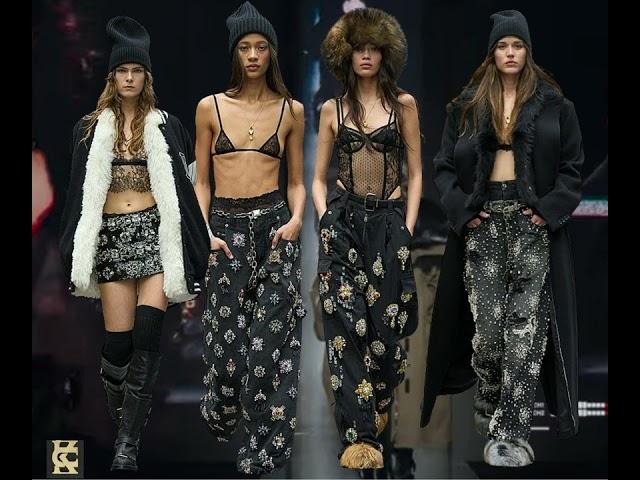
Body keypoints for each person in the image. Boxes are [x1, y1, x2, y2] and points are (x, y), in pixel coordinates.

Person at [421, 9, 583, 467]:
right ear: (492, 53)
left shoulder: (555, 106)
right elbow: (443, 167)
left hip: (532, 226)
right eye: (503, 46)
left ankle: (511, 432)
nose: (510, 53)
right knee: (489, 333)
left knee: (525, 331)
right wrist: (463, 210)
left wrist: (547, 212)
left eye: (517, 46)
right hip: (485, 222)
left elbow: (572, 168)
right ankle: (491, 404)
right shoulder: (466, 106)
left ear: (528, 51)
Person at [59, 16, 209, 472]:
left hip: (154, 235)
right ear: (112, 77)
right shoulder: (89, 130)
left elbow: (186, 189)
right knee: (118, 346)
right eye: (122, 71)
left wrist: (197, 242)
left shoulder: (168, 127)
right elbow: (77, 193)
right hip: (111, 237)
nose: (129, 78)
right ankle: (123, 422)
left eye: (136, 71)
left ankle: (127, 443)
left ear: (146, 77)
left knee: (147, 336)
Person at [193, 2, 306, 475]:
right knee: (229, 355)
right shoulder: (210, 107)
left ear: (272, 52)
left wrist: (296, 220)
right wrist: (204, 233)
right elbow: (202, 180)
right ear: (235, 53)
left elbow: (296, 180)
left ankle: (264, 450)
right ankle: (220, 408)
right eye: (245, 48)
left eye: (261, 47)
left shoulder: (291, 110)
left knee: (271, 348)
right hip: (224, 230)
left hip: (275, 228)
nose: (254, 55)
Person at [312, 7, 422, 470]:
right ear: (346, 54)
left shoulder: (404, 106)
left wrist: (407, 229)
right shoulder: (332, 110)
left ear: (385, 53)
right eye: (358, 48)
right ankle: (359, 438)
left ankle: (375, 406)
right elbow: (318, 177)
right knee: (344, 327)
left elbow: (415, 174)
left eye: (374, 48)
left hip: (389, 226)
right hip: (343, 223)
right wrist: (325, 219)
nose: (366, 56)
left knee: (384, 335)